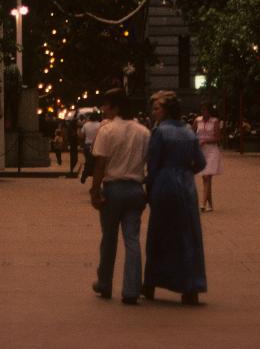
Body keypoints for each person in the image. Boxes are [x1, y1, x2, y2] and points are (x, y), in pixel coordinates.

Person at [143, 91, 207, 306]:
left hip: (164, 183)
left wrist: (150, 188)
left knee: (159, 234)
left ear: (166, 110)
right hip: (186, 186)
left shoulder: (160, 132)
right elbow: (200, 162)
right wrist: (185, 171)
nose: (154, 112)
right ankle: (190, 286)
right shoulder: (189, 131)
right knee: (188, 235)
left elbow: (153, 164)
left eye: (157, 108)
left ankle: (151, 282)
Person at [89, 89, 150, 306]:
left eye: (106, 105)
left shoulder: (107, 131)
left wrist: (94, 191)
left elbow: (100, 164)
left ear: (115, 107)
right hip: (135, 189)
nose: (103, 109)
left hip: (113, 188)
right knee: (132, 239)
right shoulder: (144, 132)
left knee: (109, 238)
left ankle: (105, 282)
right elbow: (149, 162)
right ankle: (132, 288)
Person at [193, 103, 222, 212]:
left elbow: (218, 138)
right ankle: (210, 204)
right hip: (201, 151)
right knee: (204, 177)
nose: (204, 112)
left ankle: (203, 203)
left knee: (207, 176)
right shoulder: (197, 120)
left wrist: (205, 141)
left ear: (210, 112)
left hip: (212, 150)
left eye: (206, 110)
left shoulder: (215, 121)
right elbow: (192, 133)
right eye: (202, 110)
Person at [79, 112, 102, 184]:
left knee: (88, 161)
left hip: (87, 145)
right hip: (97, 145)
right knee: (97, 164)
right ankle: (95, 181)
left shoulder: (86, 125)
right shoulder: (100, 125)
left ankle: (85, 173)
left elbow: (81, 136)